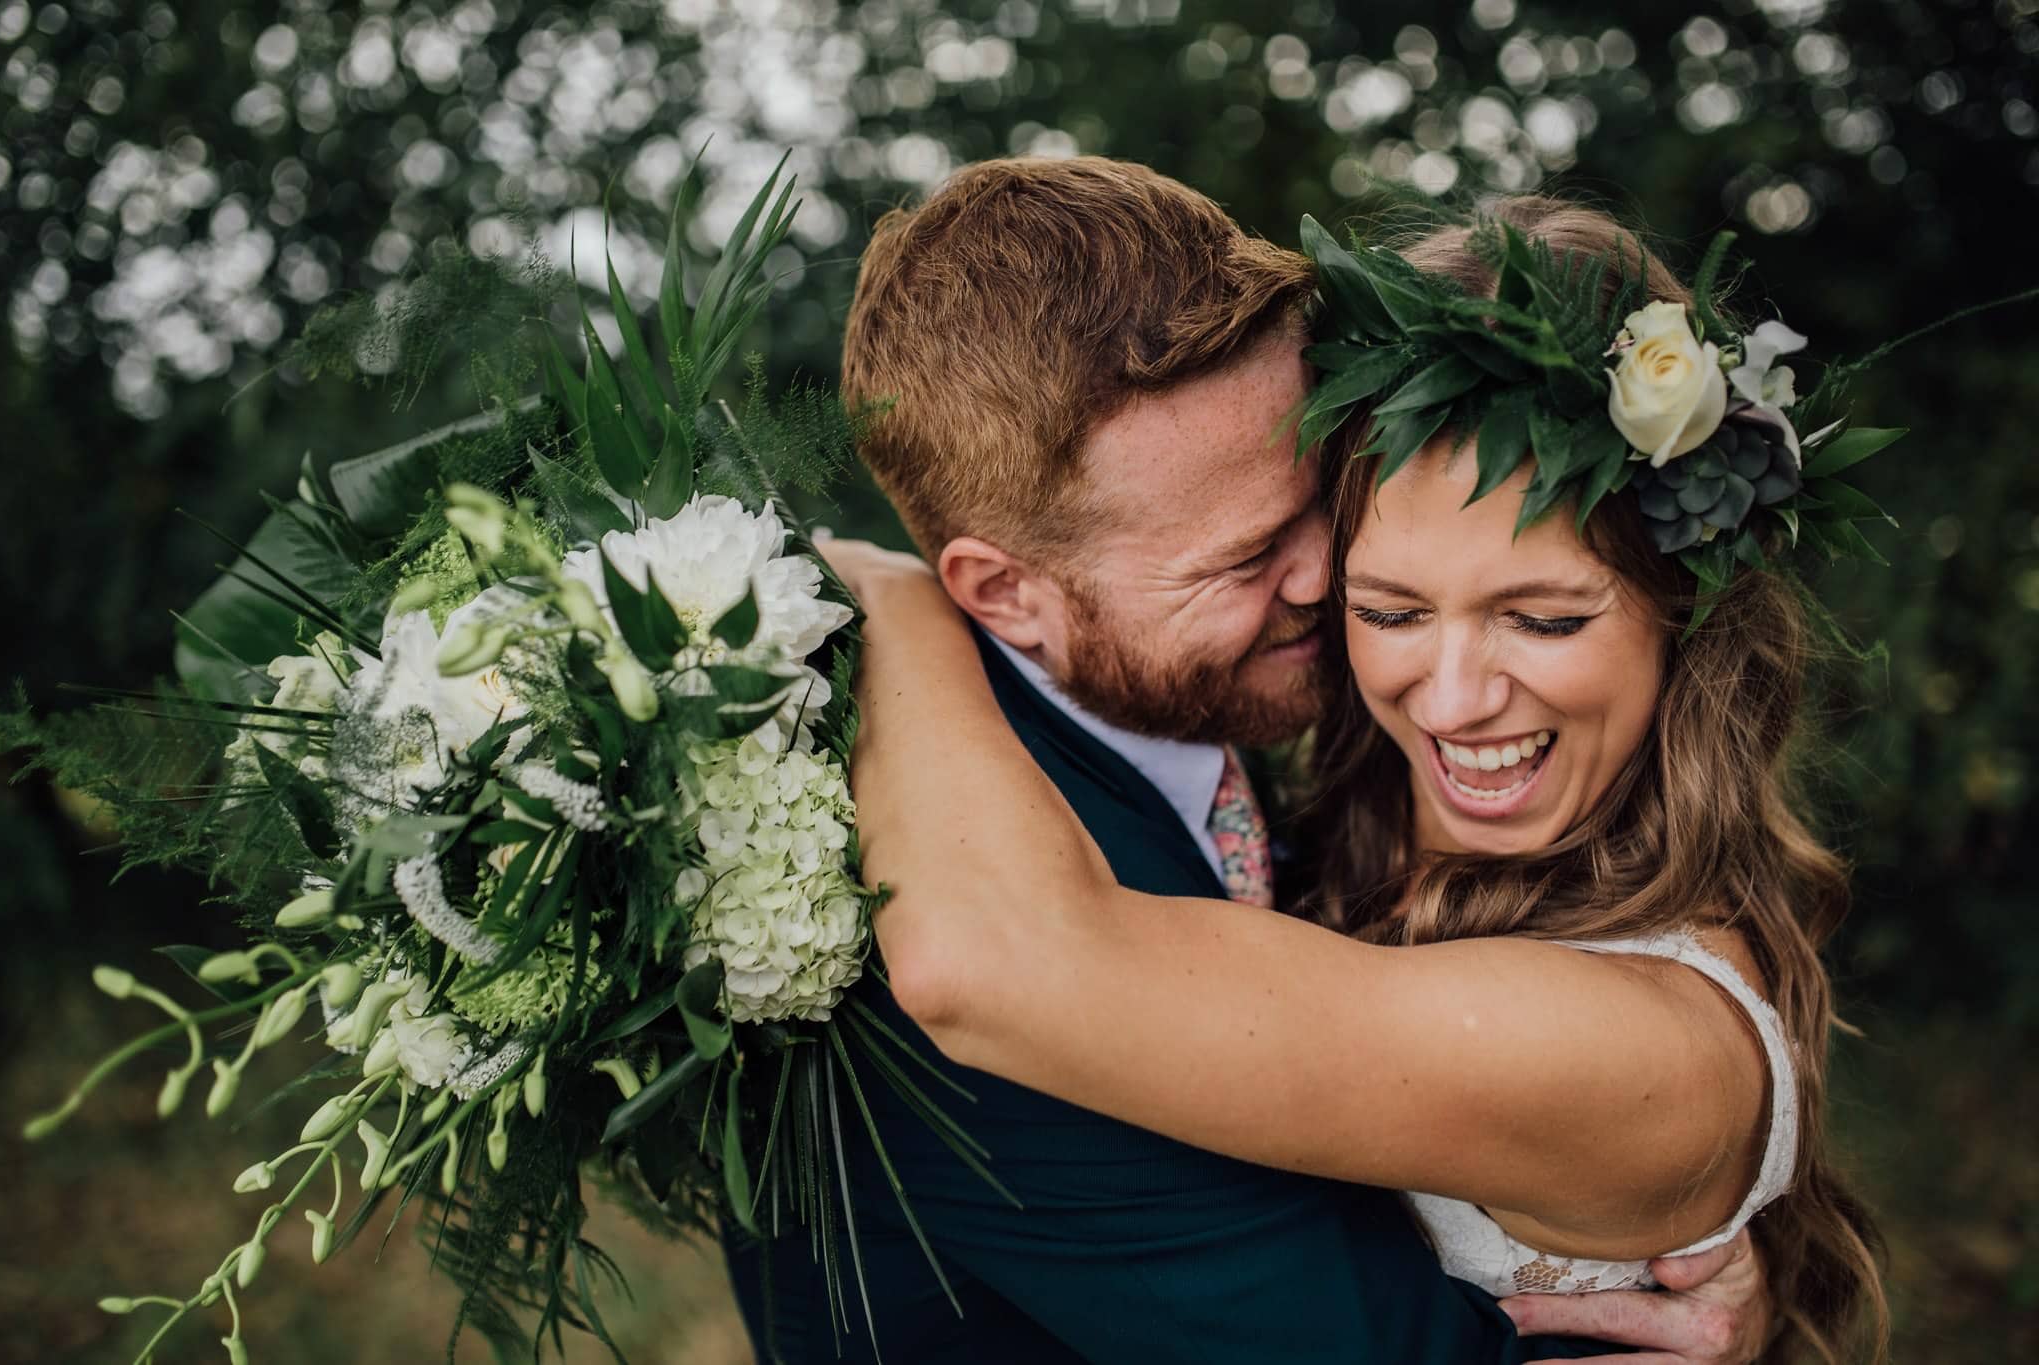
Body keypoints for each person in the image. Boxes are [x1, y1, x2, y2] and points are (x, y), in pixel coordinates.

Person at [720, 157, 1772, 1364]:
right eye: (1241, 557)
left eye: (1317, 494)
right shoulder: (921, 905)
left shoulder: (1254, 724)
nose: (1331, 580)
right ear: (1002, 595)